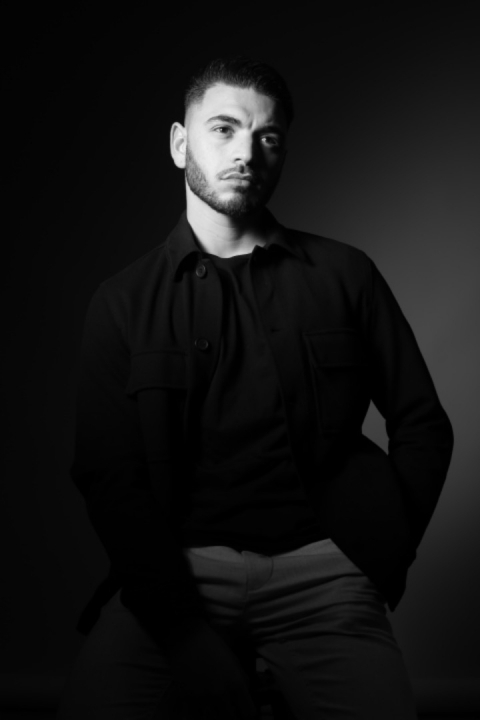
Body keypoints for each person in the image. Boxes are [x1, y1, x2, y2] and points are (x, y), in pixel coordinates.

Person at [57, 56, 454, 719]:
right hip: (176, 576)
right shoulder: (122, 301)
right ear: (180, 143)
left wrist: (379, 553)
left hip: (325, 576)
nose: (246, 152)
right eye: (224, 128)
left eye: (267, 136)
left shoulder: (345, 274)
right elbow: (109, 477)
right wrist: (184, 635)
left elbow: (423, 424)